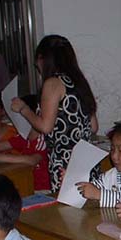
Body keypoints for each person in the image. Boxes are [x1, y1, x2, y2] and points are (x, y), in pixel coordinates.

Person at [10, 35, 99, 192]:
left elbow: (45, 126)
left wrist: (24, 109)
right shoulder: (79, 82)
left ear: (42, 59)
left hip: (65, 162)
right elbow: (93, 127)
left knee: (69, 213)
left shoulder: (53, 83)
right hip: (86, 160)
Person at [0, 95, 51, 192]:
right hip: (28, 184)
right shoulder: (23, 136)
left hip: (43, 189)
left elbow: (32, 160)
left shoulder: (43, 138)